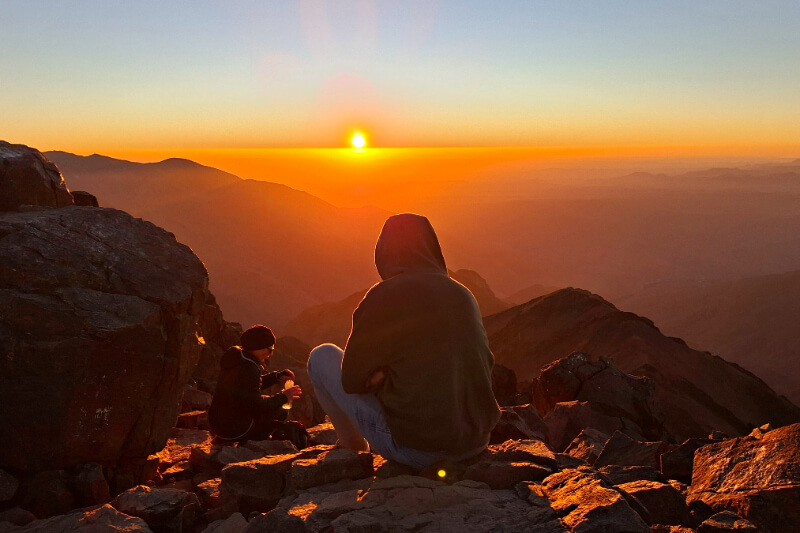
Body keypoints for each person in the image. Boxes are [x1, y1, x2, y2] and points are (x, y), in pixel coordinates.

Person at [307, 213, 501, 470]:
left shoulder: (384, 296)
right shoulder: (463, 293)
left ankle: (351, 447)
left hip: (419, 449)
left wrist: (382, 377)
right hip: (476, 441)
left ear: (384, 251)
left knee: (321, 356)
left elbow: (351, 380)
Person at [208, 325, 303, 443]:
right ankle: (257, 443)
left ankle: (224, 439)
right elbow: (256, 405)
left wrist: (276, 377)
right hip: (236, 430)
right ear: (258, 347)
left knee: (270, 402)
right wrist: (284, 396)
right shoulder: (248, 368)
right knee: (281, 410)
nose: (271, 353)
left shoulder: (236, 359)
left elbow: (248, 387)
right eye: (270, 349)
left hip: (219, 425)